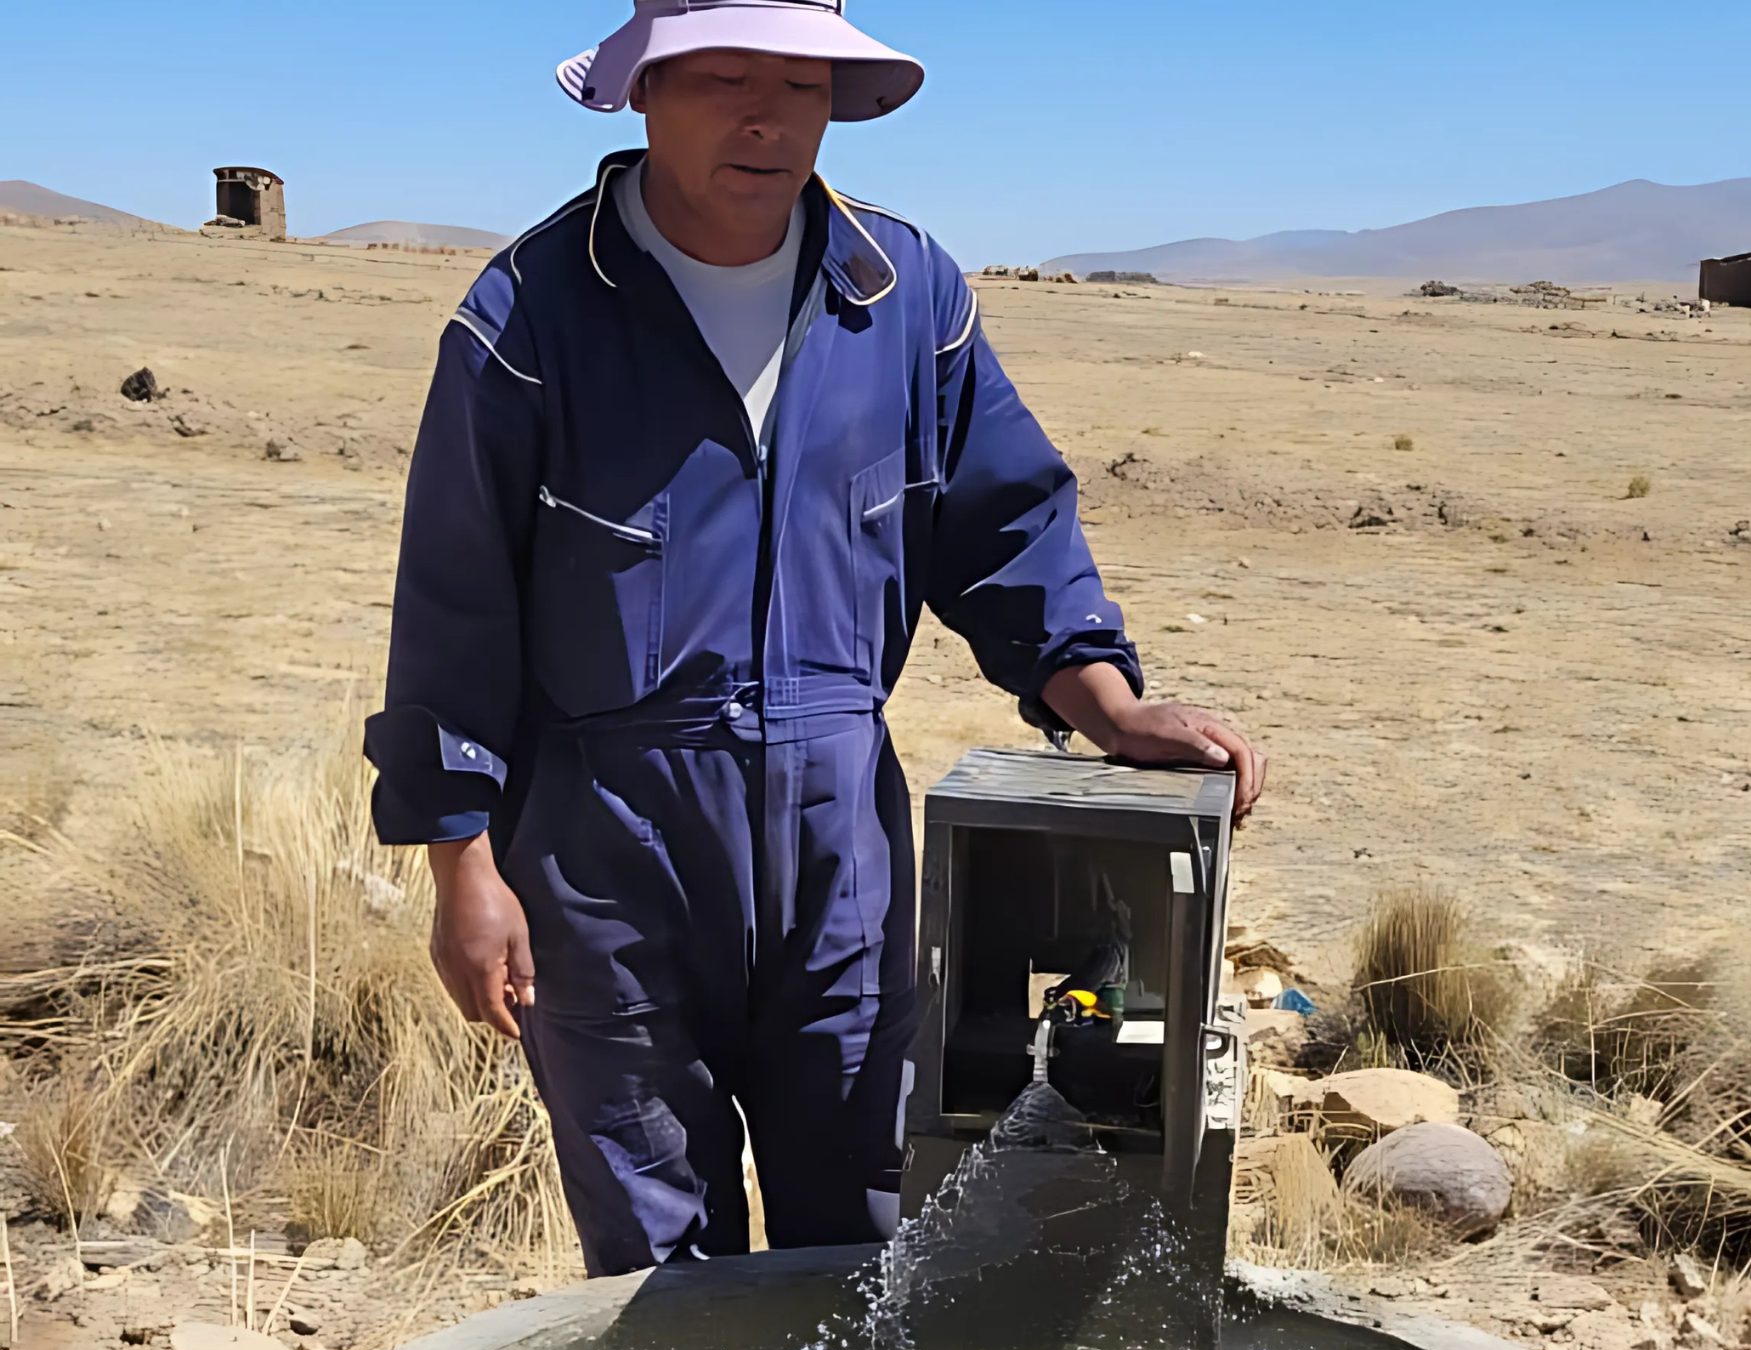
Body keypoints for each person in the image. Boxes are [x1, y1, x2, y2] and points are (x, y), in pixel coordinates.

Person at [365, 0, 1265, 1278]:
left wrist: (1108, 707)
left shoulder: (897, 296)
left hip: (840, 846)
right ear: (643, 90)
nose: (765, 113)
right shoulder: (530, 312)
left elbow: (1005, 530)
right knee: (654, 1257)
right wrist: (462, 868)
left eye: (798, 80)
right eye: (725, 75)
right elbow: (452, 603)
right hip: (604, 855)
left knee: (863, 1230)